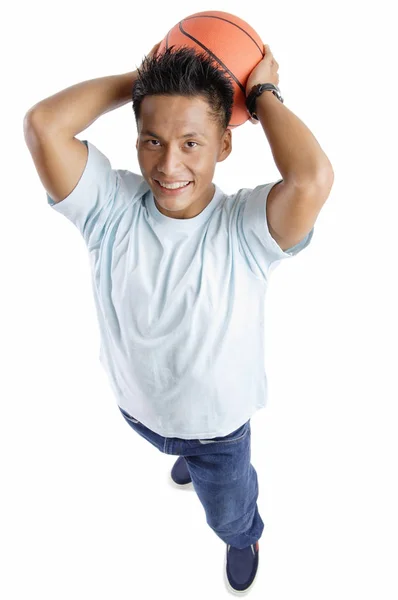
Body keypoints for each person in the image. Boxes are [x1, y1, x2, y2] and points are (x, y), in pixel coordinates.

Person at [23, 42, 334, 594]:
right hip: (138, 412)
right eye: (152, 141)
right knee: (164, 441)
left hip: (218, 434)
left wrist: (262, 94)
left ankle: (246, 535)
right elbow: (44, 125)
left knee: (227, 515)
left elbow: (311, 179)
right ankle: (181, 456)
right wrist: (137, 81)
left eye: (191, 143)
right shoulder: (110, 208)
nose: (168, 166)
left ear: (225, 143)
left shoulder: (246, 229)